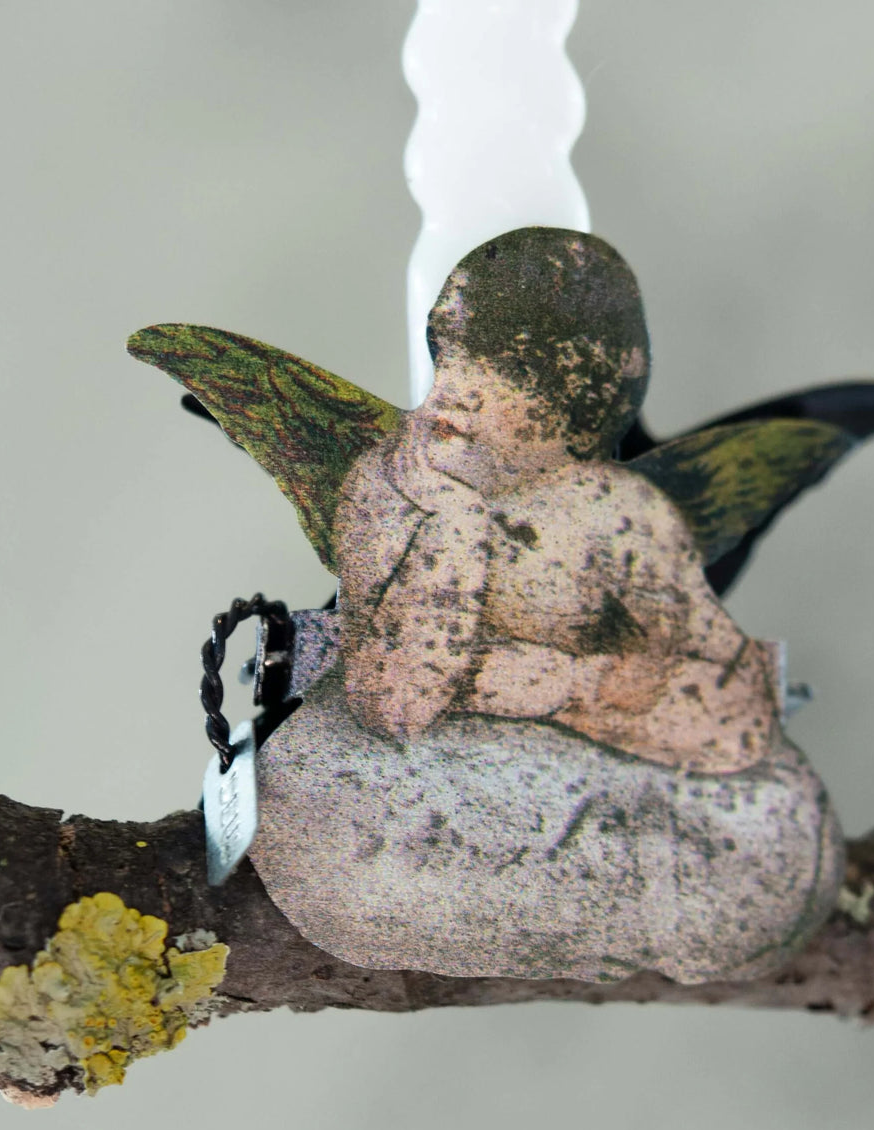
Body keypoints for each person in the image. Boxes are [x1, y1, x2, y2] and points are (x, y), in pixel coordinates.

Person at [334, 228, 782, 774]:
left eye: (507, 370)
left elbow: (737, 712)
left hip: (576, 796)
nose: (456, 392)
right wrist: (455, 522)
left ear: (578, 405)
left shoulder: (615, 509)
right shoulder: (391, 483)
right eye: (451, 357)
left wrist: (551, 686)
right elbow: (392, 705)